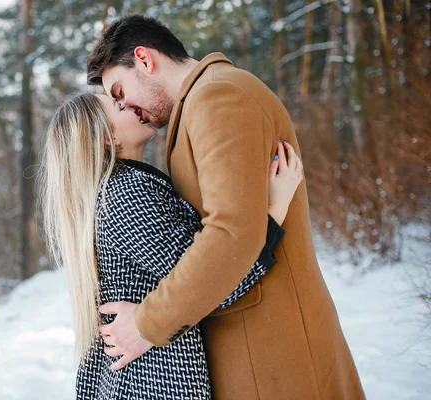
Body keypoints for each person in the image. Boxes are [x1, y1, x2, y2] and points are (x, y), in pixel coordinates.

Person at [86, 15, 365, 399]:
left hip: (270, 348)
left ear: (145, 60)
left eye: (120, 91)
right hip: (251, 345)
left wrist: (145, 325)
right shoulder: (197, 107)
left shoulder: (218, 96)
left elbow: (231, 234)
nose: (126, 106)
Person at [39, 92, 303, 399]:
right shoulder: (126, 195)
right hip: (155, 384)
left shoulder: (116, 192)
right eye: (118, 106)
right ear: (108, 138)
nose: (131, 103)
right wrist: (275, 209)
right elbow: (209, 284)